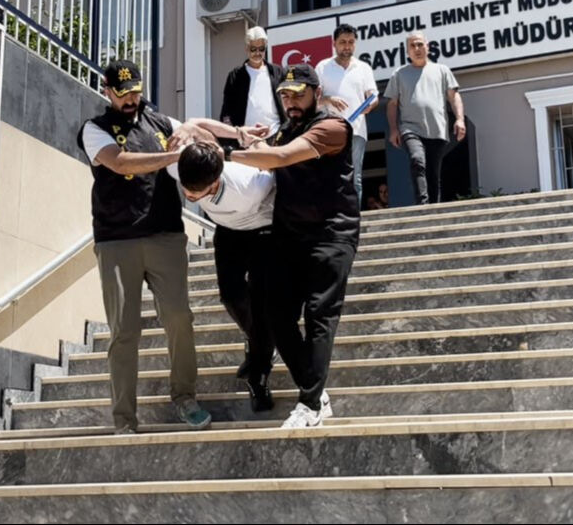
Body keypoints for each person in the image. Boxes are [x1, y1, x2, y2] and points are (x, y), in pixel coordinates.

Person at [180, 64, 359, 429]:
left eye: (298, 94)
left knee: (318, 315)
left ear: (316, 92)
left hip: (330, 234)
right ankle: (315, 391)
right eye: (285, 95)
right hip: (289, 235)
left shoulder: (332, 127)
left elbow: (280, 158)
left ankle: (309, 403)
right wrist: (200, 128)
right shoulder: (285, 131)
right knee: (276, 316)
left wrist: (221, 158)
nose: (291, 101)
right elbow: (257, 144)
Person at [76, 61, 211, 434]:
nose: (132, 98)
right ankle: (124, 420)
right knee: (124, 331)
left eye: (135, 90)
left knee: (180, 318)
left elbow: (192, 132)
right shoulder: (94, 129)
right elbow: (119, 164)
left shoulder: (161, 123)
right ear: (107, 91)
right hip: (117, 241)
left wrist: (202, 137)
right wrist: (173, 155)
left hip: (166, 235)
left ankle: (185, 397)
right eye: (123, 93)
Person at [167, 141, 277, 412]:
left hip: (263, 227)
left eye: (196, 192)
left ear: (215, 183)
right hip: (228, 231)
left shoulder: (250, 186)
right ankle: (262, 342)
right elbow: (185, 126)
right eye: (186, 188)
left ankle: (258, 378)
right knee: (230, 294)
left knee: (261, 301)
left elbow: (274, 168)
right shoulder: (178, 168)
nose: (190, 195)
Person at [384, 31, 465, 205]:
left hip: (437, 130)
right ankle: (422, 204)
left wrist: (460, 119)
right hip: (410, 128)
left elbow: (454, 96)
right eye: (412, 46)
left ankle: (433, 210)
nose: (417, 48)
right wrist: (393, 129)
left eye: (420, 44)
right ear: (407, 51)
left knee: (432, 174)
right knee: (417, 159)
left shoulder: (442, 70)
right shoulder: (399, 74)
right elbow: (392, 104)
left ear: (427, 46)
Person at [316, 23, 378, 205]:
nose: (347, 46)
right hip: (331, 131)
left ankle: (354, 222)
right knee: (331, 175)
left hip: (357, 131)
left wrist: (371, 104)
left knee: (355, 178)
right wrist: (329, 100)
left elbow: (373, 95)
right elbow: (313, 100)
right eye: (342, 42)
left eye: (351, 42)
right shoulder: (322, 67)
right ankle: (334, 220)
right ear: (334, 43)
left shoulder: (363, 68)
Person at [219, 26, 285, 138]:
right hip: (247, 138)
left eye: (261, 49)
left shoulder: (277, 72)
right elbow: (226, 110)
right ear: (247, 48)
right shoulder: (235, 76)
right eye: (253, 49)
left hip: (276, 135)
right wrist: (232, 134)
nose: (257, 53)